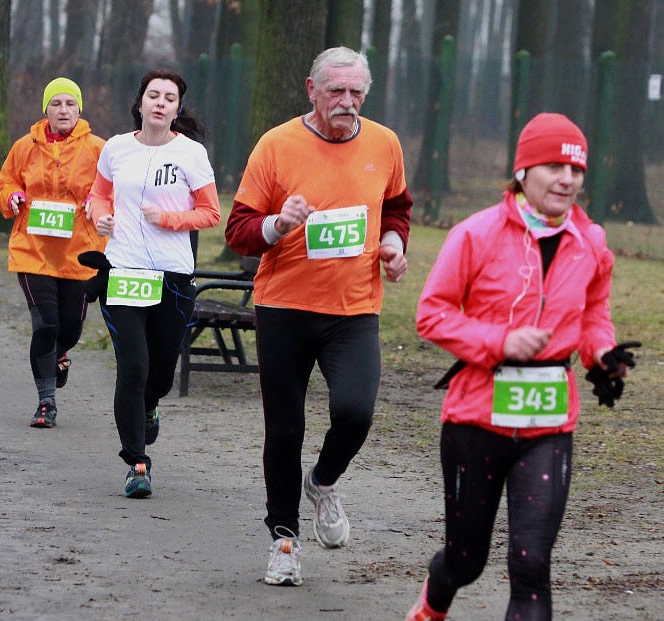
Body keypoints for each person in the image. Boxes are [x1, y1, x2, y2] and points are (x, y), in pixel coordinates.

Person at [406, 113, 639, 621]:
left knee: (531, 562)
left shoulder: (592, 241)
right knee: (466, 561)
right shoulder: (477, 234)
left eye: (576, 169)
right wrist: (501, 341)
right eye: (554, 166)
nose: (567, 179)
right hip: (475, 420)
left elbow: (595, 311)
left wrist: (604, 353)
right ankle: (432, 602)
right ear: (524, 171)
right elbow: (432, 314)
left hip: (548, 423)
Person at [224, 46, 412, 586]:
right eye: (336, 92)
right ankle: (284, 539)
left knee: (356, 411)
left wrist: (395, 244)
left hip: (354, 309)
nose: (347, 103)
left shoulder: (385, 143)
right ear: (312, 89)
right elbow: (238, 231)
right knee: (284, 429)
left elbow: (397, 205)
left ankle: (323, 481)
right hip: (284, 307)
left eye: (357, 93)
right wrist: (279, 224)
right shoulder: (277, 145)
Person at [84, 68, 220, 499]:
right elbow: (98, 194)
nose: (160, 102)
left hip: (173, 276)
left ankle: (151, 404)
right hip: (122, 270)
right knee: (133, 367)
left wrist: (170, 219)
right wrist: (98, 215)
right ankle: (137, 462)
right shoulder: (116, 149)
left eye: (169, 97)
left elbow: (211, 213)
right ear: (140, 103)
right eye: (154, 95)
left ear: (177, 109)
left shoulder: (192, 154)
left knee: (159, 373)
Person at [0, 77, 106, 429]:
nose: (63, 110)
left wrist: (96, 201)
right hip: (33, 250)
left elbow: (112, 190)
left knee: (69, 330)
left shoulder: (99, 149)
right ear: (46, 109)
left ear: (79, 109)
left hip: (79, 252)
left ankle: (60, 354)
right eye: (56, 104)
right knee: (45, 323)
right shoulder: (24, 146)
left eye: (70, 104)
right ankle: (46, 402)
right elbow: (7, 182)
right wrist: (11, 197)